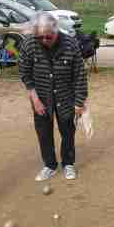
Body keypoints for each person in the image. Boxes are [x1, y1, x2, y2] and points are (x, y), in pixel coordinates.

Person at [19, 12, 88, 181]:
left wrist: (79, 102)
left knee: (68, 132)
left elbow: (80, 75)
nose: (44, 40)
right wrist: (35, 99)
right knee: (43, 133)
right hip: (41, 96)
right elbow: (25, 73)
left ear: (56, 30)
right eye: (40, 37)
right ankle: (49, 165)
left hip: (66, 96)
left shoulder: (70, 44)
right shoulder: (29, 44)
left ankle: (68, 163)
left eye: (48, 37)